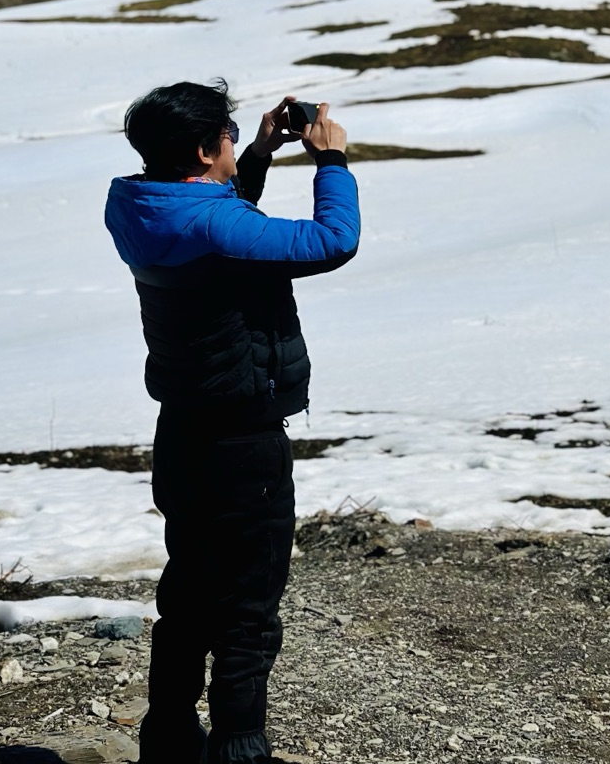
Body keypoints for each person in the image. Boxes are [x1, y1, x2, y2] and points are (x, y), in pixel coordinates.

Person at [105, 80, 360, 764]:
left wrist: (255, 155)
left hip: (182, 430)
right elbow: (334, 241)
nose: (230, 140)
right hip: (244, 441)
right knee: (248, 606)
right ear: (200, 147)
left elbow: (214, 219)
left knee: (188, 592)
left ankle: (169, 739)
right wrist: (330, 162)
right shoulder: (216, 227)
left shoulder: (135, 203)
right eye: (225, 133)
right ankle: (241, 749)